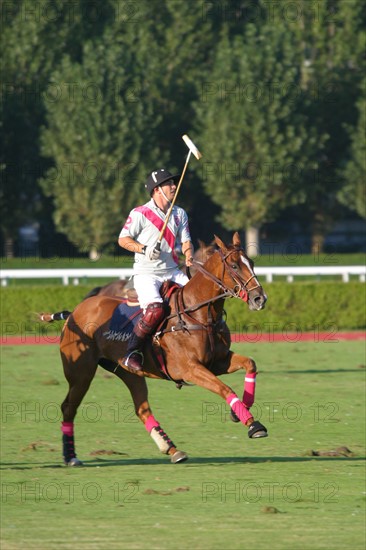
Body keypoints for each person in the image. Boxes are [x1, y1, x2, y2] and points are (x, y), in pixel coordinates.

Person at [118, 168, 194, 372]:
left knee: (198, 299)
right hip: (146, 273)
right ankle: (131, 353)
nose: (174, 186)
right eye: (169, 184)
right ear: (157, 189)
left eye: (173, 183)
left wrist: (189, 254)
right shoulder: (140, 213)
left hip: (172, 271)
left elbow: (186, 241)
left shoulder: (179, 213)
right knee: (155, 310)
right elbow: (123, 240)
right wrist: (144, 249)